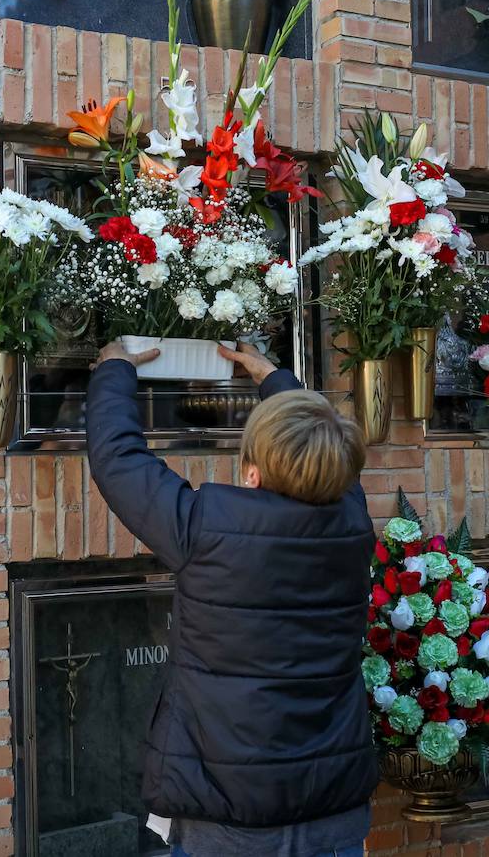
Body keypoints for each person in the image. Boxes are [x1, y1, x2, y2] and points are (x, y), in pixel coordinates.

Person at [85, 341, 378, 857]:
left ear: (251, 474)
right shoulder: (354, 524)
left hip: (228, 825)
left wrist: (113, 371)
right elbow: (330, 451)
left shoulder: (207, 528)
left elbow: (119, 460)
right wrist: (275, 379)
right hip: (333, 815)